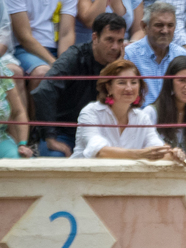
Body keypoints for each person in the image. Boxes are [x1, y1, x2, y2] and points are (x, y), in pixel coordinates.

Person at [30, 13, 126, 156]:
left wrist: (119, 72)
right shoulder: (74, 56)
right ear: (95, 38)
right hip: (64, 132)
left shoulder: (121, 63)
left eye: (120, 41)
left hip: (101, 134)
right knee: (54, 160)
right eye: (109, 40)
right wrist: (50, 137)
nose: (115, 47)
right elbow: (44, 91)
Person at [72, 59, 184, 159]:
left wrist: (173, 154)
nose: (129, 88)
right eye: (122, 82)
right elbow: (100, 152)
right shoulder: (91, 112)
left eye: (134, 82)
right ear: (108, 87)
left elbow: (157, 150)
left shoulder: (142, 118)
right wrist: (141, 154)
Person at [124, 1, 186, 103]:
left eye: (170, 25)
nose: (165, 31)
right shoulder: (130, 55)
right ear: (144, 26)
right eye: (159, 25)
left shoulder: (181, 55)